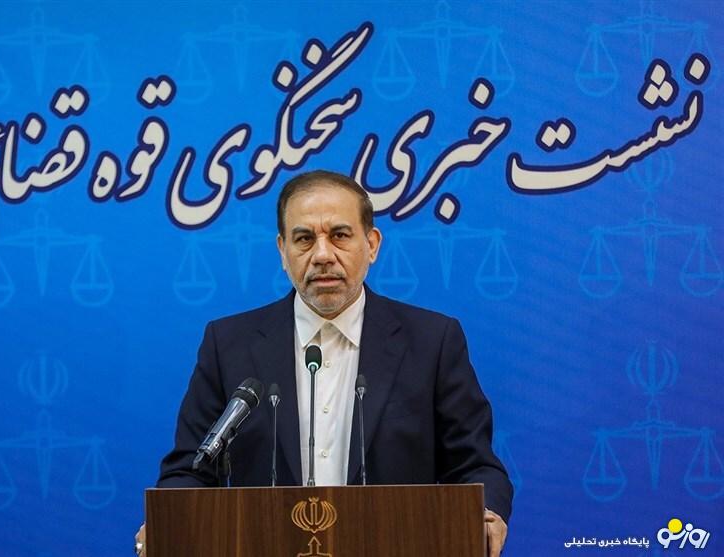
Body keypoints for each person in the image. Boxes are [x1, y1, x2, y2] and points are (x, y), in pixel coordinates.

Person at [135, 170, 511, 556]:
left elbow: (474, 465)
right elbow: (191, 469)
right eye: (303, 239)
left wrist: (488, 513)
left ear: (372, 244)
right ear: (282, 251)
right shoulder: (229, 344)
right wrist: (170, 522)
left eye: (340, 235)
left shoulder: (432, 341)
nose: (322, 255)